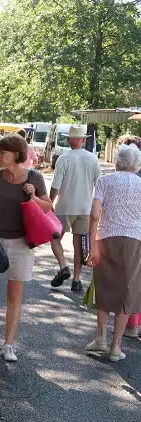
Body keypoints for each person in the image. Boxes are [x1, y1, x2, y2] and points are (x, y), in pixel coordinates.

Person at [0, 134, 54, 362]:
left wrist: (33, 196)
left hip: (22, 242)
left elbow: (48, 207)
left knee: (14, 297)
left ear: (16, 155)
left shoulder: (35, 177)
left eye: (2, 153)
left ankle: (9, 344)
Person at [85, 144, 141, 361]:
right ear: (136, 165)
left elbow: (94, 215)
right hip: (134, 241)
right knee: (126, 291)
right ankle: (116, 346)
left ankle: (100, 337)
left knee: (104, 287)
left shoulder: (104, 181)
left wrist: (91, 246)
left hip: (106, 238)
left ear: (117, 161)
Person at [48, 125, 102, 293]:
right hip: (84, 208)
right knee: (78, 244)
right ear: (83, 140)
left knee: (55, 237)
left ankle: (63, 266)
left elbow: (56, 185)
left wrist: (49, 203)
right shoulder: (93, 159)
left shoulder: (64, 158)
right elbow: (98, 185)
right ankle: (77, 279)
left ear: (70, 140)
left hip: (65, 206)